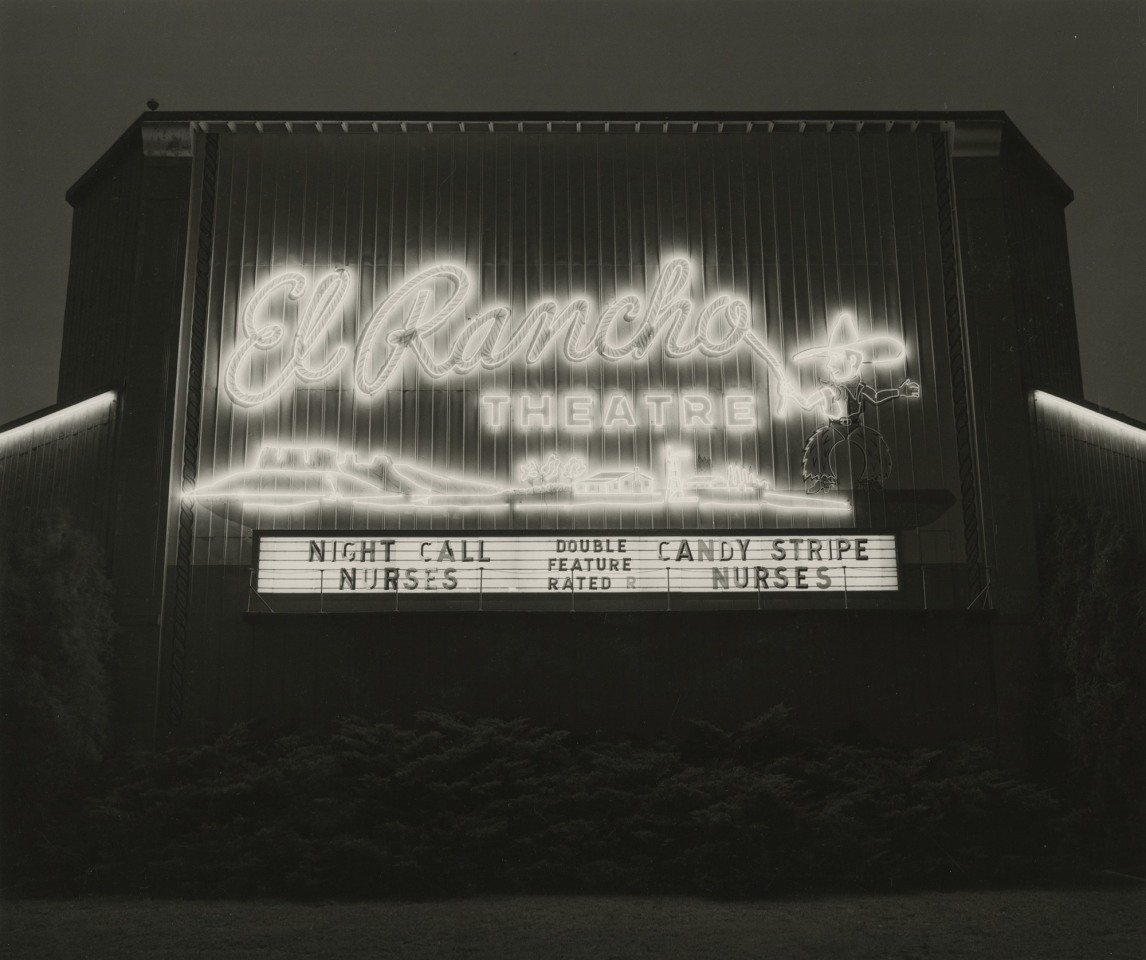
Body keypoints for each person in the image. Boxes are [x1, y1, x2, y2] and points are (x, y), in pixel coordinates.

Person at [781, 314, 920, 492]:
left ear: (852, 360)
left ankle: (871, 479)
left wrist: (899, 392)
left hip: (855, 426)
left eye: (834, 359)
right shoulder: (828, 389)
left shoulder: (859, 388)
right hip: (834, 427)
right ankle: (823, 480)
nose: (829, 366)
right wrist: (791, 394)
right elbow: (808, 404)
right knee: (818, 445)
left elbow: (876, 396)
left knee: (873, 445)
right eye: (829, 360)